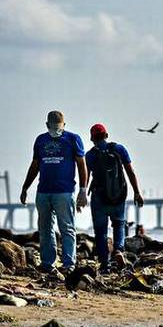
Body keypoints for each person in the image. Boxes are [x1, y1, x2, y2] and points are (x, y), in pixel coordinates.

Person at [20, 111, 88, 279]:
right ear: (47, 125)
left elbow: (81, 164)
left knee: (67, 228)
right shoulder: (40, 140)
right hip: (43, 192)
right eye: (53, 128)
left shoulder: (73, 139)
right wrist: (25, 187)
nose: (56, 131)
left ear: (64, 125)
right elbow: (35, 164)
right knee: (45, 229)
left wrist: (83, 189)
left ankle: (68, 264)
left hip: (64, 192)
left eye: (59, 128)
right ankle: (47, 263)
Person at [85, 123, 144, 273]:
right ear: (106, 135)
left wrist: (82, 194)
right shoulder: (119, 149)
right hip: (118, 195)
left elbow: (85, 178)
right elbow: (130, 172)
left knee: (101, 231)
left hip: (99, 196)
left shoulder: (90, 155)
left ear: (92, 138)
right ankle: (118, 250)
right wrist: (137, 192)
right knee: (119, 224)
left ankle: (105, 264)